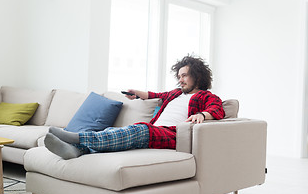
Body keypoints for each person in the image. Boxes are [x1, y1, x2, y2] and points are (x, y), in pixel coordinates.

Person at [44, 54, 225, 159]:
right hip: (155, 131)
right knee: (117, 133)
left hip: (173, 135)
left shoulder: (206, 96)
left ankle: (77, 138)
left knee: (139, 130)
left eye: (184, 75)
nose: (180, 79)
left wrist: (203, 115)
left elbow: (217, 109)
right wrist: (137, 93)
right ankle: (77, 150)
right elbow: (156, 96)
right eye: (179, 76)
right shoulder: (175, 94)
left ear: (198, 76)